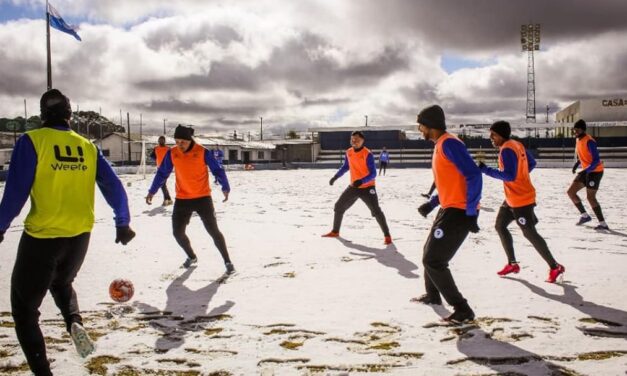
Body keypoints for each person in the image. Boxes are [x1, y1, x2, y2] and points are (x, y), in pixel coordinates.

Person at [0, 89, 136, 375]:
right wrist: (122, 222)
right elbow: (113, 185)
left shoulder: (32, 141)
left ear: (41, 116)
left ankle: (43, 372)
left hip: (42, 238)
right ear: (69, 115)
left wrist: (0, 225)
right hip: (79, 236)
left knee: (25, 312)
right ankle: (74, 321)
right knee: (61, 284)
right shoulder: (88, 146)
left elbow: (15, 192)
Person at [414, 104, 481, 324]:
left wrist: (471, 212)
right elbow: (451, 182)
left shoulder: (450, 143)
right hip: (449, 207)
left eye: (420, 126)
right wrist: (432, 204)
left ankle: (462, 309)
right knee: (429, 253)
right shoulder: (441, 144)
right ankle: (433, 296)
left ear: (429, 125)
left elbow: (473, 175)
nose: (419, 130)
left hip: (459, 211)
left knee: (434, 259)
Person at [479, 121, 565, 283]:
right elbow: (532, 163)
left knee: (529, 233)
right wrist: (522, 176)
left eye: (493, 135)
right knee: (500, 226)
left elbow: (509, 175)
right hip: (513, 198)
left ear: (502, 135)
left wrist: (485, 170)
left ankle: (555, 267)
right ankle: (512, 264)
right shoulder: (517, 144)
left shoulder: (506, 149)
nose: (491, 138)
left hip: (521, 199)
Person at [146, 125, 234, 273]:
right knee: (177, 233)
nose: (180, 145)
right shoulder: (172, 153)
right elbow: (162, 173)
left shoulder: (202, 151)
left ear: (190, 140)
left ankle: (227, 261)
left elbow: (217, 170)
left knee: (213, 231)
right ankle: (191, 256)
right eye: (177, 141)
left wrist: (225, 187)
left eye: (183, 142)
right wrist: (152, 191)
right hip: (182, 199)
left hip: (203, 199)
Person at [322, 131, 392, 245]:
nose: (354, 141)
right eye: (352, 139)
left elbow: (373, 173)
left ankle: (387, 236)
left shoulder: (367, 154)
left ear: (362, 141)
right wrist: (336, 176)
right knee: (338, 206)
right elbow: (345, 166)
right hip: (354, 187)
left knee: (376, 211)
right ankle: (335, 231)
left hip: (368, 187)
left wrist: (362, 181)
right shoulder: (349, 152)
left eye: (357, 140)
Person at [567, 119, 608, 230]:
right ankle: (584, 216)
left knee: (591, 197)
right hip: (586, 171)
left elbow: (596, 160)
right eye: (574, 130)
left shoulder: (589, 141)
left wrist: (586, 170)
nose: (575, 132)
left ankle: (603, 224)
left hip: (595, 172)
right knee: (571, 192)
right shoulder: (578, 140)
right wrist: (577, 164)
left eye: (577, 130)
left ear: (582, 130)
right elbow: (583, 155)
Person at [150, 136, 173, 206]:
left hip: (167, 168)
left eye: (162, 140)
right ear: (158, 141)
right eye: (160, 140)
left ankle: (166, 199)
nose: (161, 141)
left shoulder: (168, 149)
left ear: (165, 141)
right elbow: (152, 156)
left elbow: (172, 157)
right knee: (163, 184)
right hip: (159, 168)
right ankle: (168, 199)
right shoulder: (156, 148)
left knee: (162, 184)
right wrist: (157, 160)